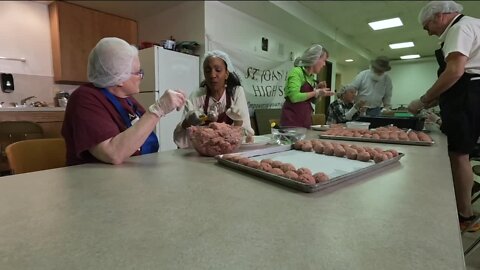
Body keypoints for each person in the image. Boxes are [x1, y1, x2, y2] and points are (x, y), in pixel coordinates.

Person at [407, 1, 480, 232]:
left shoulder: (460, 28)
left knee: (459, 154)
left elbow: (456, 71)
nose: (426, 31)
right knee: (461, 153)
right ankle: (463, 206)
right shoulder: (472, 26)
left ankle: (464, 215)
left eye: (426, 25)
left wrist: (424, 100)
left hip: (468, 97)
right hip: (468, 94)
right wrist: (431, 100)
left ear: (440, 16)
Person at [62, 37, 186, 165]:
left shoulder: (128, 100)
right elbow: (113, 154)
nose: (141, 77)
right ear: (119, 78)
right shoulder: (84, 99)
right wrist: (158, 109)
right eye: (138, 72)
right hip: (96, 181)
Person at [174, 50, 254, 148]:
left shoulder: (236, 92)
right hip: (202, 153)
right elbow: (181, 142)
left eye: (218, 70)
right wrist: (187, 122)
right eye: (208, 71)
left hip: (230, 152)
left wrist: (238, 121)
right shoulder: (197, 95)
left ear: (226, 74)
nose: (212, 75)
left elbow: (247, 135)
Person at [280, 44, 333, 128]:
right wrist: (315, 92)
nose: (324, 65)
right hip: (292, 121)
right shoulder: (296, 72)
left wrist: (319, 93)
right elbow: (294, 97)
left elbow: (313, 101)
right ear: (315, 59)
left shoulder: (310, 77)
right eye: (323, 60)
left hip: (305, 120)